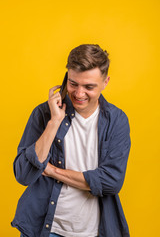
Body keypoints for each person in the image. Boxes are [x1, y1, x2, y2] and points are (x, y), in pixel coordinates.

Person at [11, 44, 131, 237]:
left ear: (105, 82)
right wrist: (54, 122)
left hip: (92, 231)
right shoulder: (44, 113)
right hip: (44, 228)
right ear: (66, 77)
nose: (79, 93)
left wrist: (51, 170)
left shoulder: (116, 121)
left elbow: (111, 182)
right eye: (73, 83)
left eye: (89, 87)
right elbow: (24, 174)